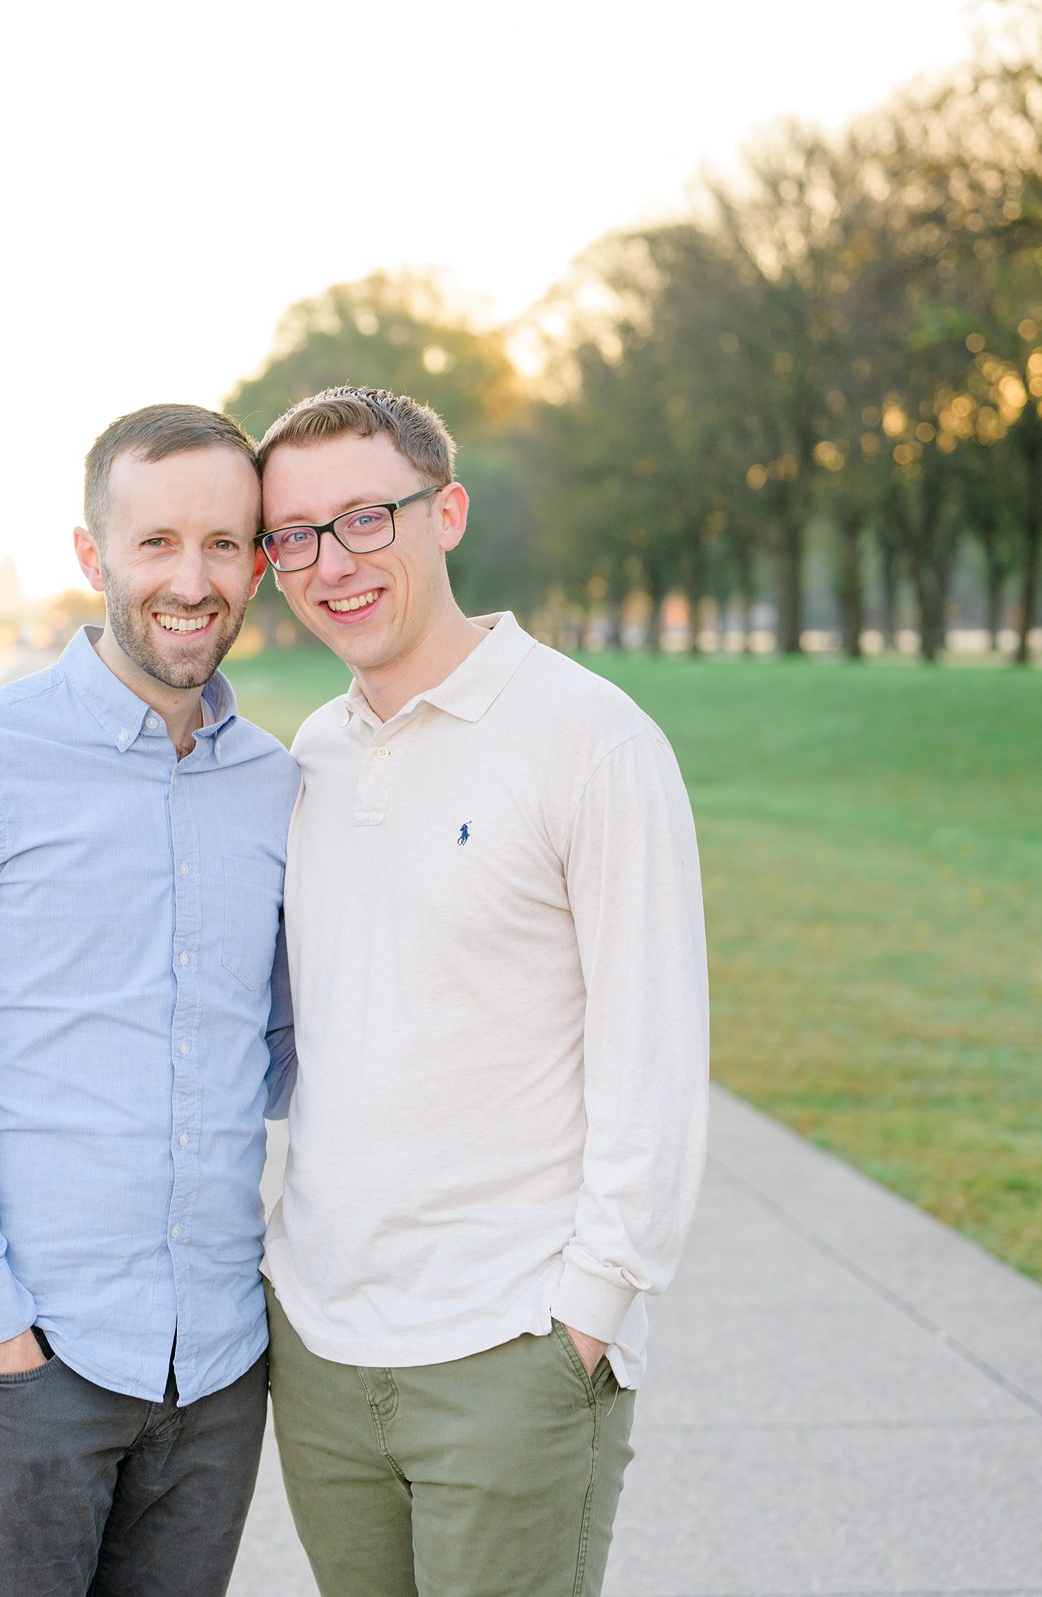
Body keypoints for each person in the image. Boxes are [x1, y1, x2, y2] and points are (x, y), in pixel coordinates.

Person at [254, 385, 710, 1597]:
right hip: (323, 1343)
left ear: (445, 511)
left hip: (512, 1348)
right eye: (292, 535)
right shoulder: (312, 753)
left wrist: (586, 1319)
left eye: (364, 519)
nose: (328, 565)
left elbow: (655, 1057)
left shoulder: (590, 738)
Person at [0, 402, 299, 1596]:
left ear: (259, 558)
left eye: (223, 544)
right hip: (35, 1360)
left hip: (214, 1368)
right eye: (156, 544)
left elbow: (297, 1048)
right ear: (93, 557)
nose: (192, 580)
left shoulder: (279, 784)